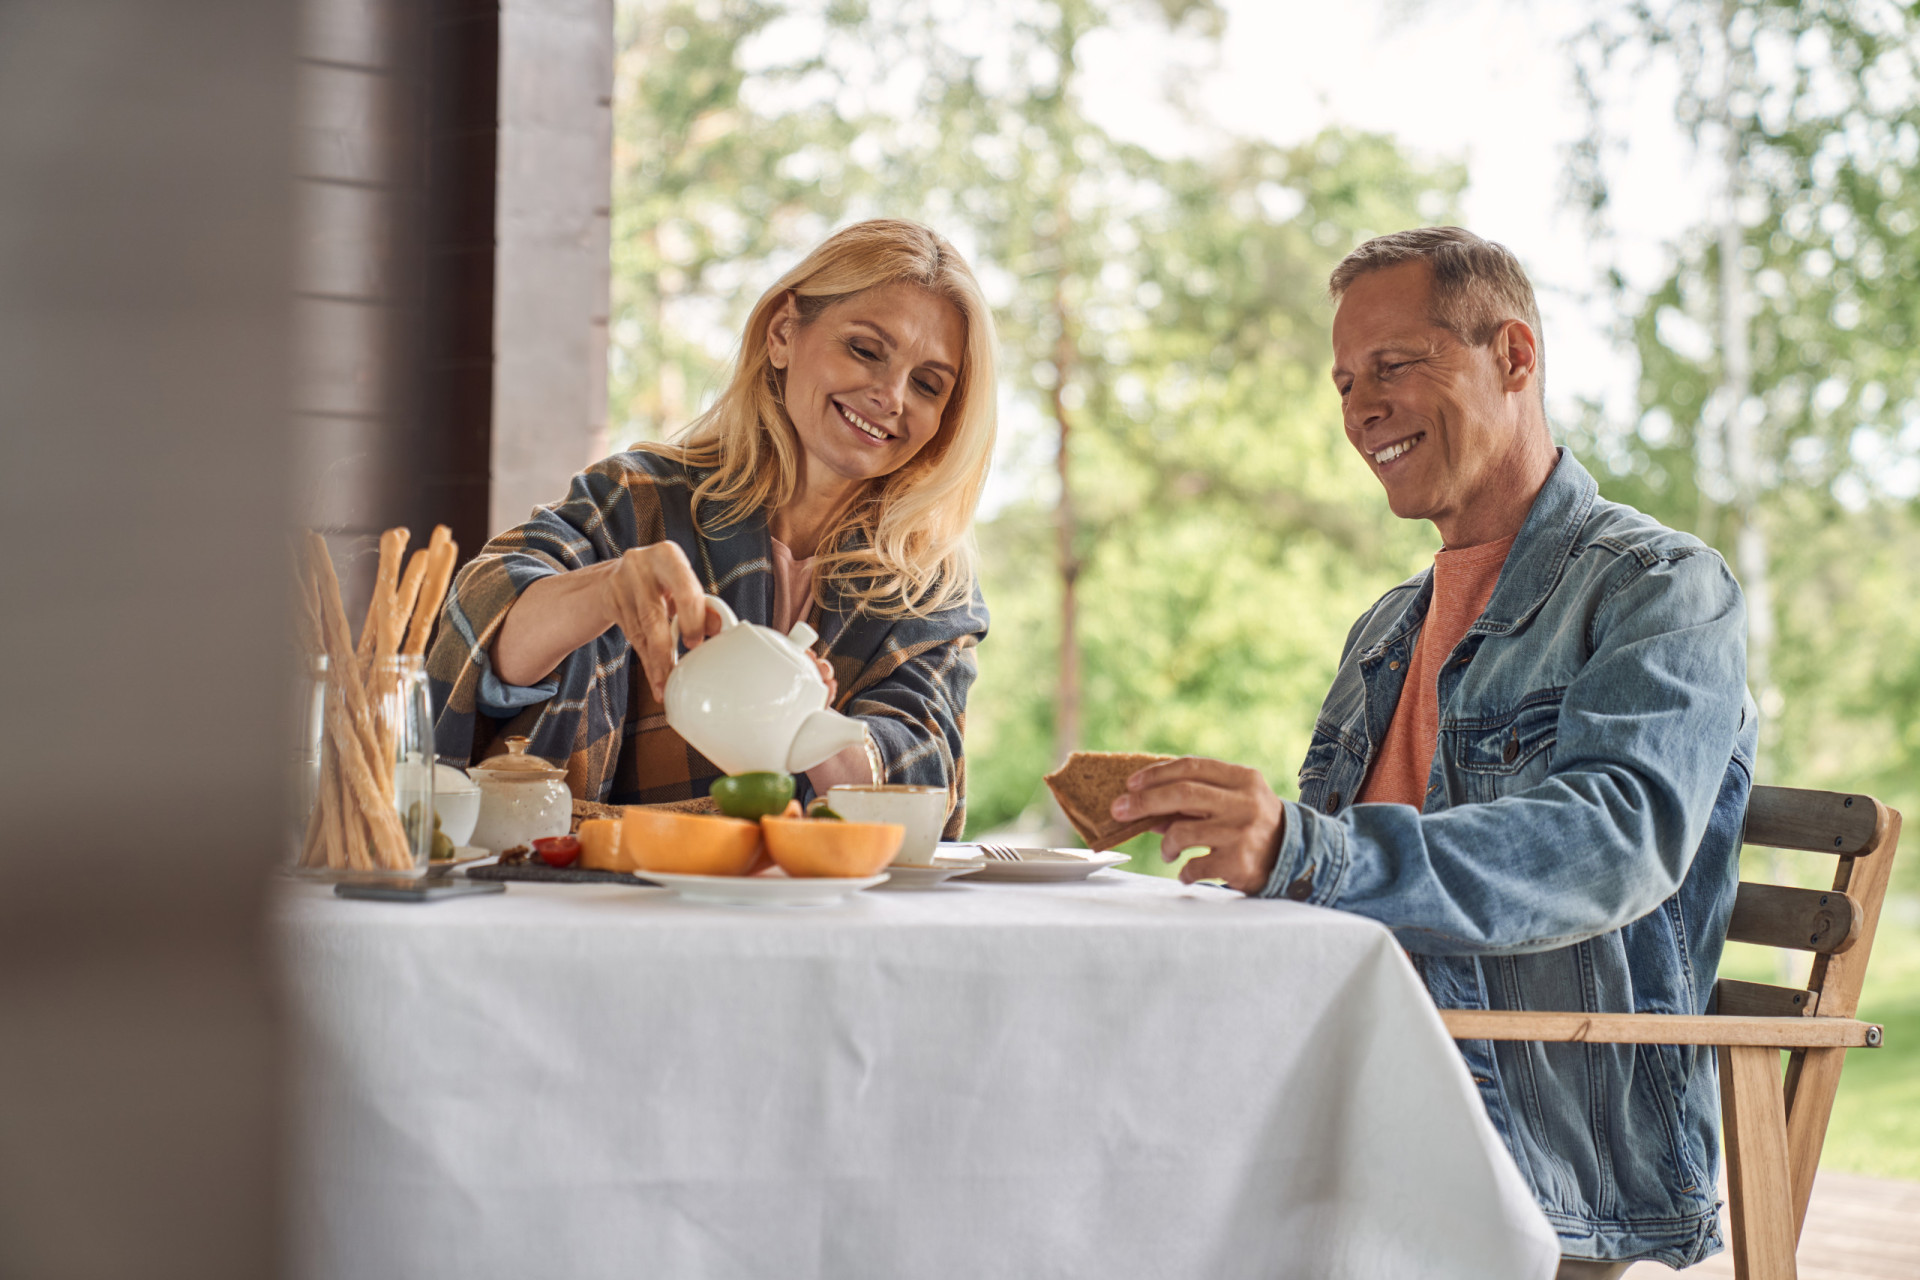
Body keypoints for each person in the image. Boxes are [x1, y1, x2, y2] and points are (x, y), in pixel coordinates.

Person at [1115, 227, 1756, 1276]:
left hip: (1539, 1151)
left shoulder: (1661, 589)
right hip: (1354, 1110)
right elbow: (1323, 884)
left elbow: (1613, 840)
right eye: (1345, 381)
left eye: (1396, 364)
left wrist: (1307, 849)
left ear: (1513, 356)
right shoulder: (1387, 629)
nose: (1360, 406)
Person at [428, 219, 996, 834]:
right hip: (612, 904)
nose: (890, 394)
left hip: (815, 918)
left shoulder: (931, 587)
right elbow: (479, 620)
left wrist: (805, 720)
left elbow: (925, 772)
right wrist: (605, 589)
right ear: (783, 334)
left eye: (928, 384)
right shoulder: (637, 499)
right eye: (864, 349)